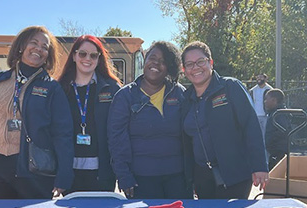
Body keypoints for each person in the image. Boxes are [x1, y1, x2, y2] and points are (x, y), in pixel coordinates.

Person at [0, 26, 73, 199]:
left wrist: (64, 174)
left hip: (34, 171)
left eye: (45, 47)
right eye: (34, 42)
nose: (39, 49)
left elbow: (63, 134)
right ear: (22, 45)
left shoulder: (51, 87)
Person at [180, 41, 268, 199]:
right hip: (202, 177)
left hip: (235, 173)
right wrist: (190, 178)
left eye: (201, 61)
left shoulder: (230, 87)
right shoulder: (186, 98)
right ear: (184, 70)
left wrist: (260, 166)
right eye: (190, 64)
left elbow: (251, 126)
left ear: (210, 63)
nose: (196, 67)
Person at [107, 41, 190, 199]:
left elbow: (190, 136)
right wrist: (124, 176)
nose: (156, 64)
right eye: (153, 58)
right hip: (141, 180)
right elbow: (116, 140)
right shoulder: (125, 96)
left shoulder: (179, 93)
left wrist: (192, 177)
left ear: (169, 68)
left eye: (163, 61)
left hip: (178, 179)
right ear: (144, 58)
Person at [57, 35, 122, 193]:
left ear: (99, 59)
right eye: (82, 54)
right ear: (74, 56)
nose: (88, 59)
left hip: (103, 173)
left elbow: (119, 132)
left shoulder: (112, 88)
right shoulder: (60, 89)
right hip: (69, 173)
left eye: (93, 55)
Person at [263, 89, 292, 170]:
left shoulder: (279, 114)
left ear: (274, 100)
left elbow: (283, 130)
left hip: (278, 151)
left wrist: (272, 141)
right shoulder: (274, 113)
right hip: (274, 150)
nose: (265, 101)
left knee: (275, 172)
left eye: (266, 99)